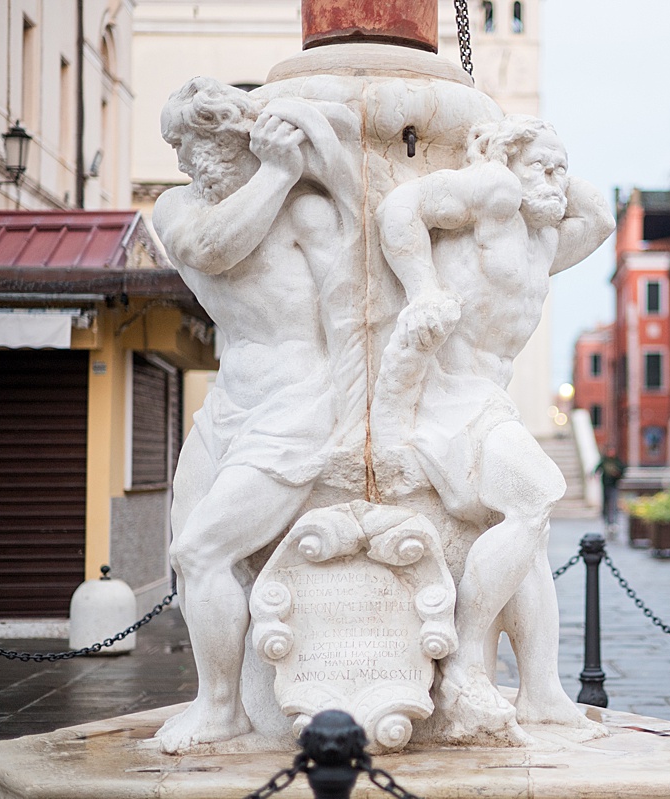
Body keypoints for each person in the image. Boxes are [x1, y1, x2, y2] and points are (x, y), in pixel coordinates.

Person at [375, 114, 614, 744]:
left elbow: (600, 217)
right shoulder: (494, 194)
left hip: (487, 400)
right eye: (544, 167)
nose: (557, 181)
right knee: (535, 496)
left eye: (563, 169)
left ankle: (541, 691)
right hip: (444, 396)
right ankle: (462, 665)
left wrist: (548, 171)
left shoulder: (542, 238)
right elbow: (399, 208)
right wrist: (423, 290)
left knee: (529, 533)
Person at [152, 78, 352, 753]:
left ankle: (219, 709)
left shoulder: (308, 214)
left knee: (200, 549)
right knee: (191, 557)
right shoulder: (178, 207)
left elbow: (352, 311)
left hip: (299, 403)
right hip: (228, 402)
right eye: (180, 147)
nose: (187, 161)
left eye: (197, 144)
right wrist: (277, 172)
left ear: (237, 137)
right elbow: (210, 249)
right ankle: (230, 697)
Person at [595, 446, 626, 529]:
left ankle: (613, 521)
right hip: (605, 485)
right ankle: (607, 519)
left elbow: (622, 470)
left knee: (613, 502)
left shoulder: (617, 461)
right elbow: (598, 468)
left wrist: (617, 474)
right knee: (606, 502)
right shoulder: (604, 461)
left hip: (613, 485)